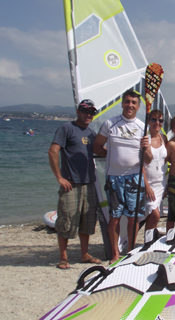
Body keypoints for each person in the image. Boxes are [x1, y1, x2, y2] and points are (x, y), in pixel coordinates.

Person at [92, 89, 148, 263]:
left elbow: (147, 158)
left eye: (133, 102)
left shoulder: (142, 126)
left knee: (133, 218)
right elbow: (97, 147)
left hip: (135, 178)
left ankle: (131, 252)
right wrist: (111, 157)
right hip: (114, 178)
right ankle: (115, 254)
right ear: (122, 103)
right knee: (115, 218)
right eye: (127, 101)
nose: (130, 105)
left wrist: (147, 148)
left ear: (138, 107)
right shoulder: (110, 124)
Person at [48, 99, 102, 269]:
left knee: (87, 221)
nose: (88, 115)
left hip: (89, 184)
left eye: (91, 112)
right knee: (66, 220)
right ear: (78, 111)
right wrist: (59, 178)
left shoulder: (92, 134)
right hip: (71, 184)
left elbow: (102, 151)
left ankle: (84, 254)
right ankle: (63, 257)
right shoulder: (66, 129)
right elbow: (53, 152)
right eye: (85, 111)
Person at [142, 109, 167, 231]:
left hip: (161, 184)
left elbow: (166, 162)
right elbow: (140, 164)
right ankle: (148, 242)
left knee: (151, 217)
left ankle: (148, 242)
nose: (157, 123)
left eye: (160, 120)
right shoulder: (144, 139)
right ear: (148, 121)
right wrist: (146, 186)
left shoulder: (164, 138)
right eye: (154, 119)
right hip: (148, 185)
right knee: (155, 215)